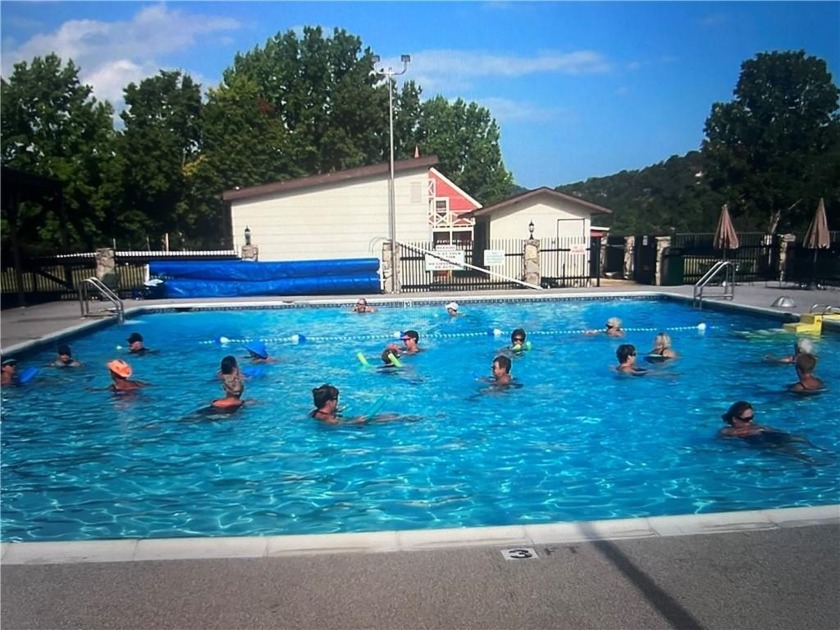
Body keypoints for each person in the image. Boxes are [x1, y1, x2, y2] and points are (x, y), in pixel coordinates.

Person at [718, 401, 816, 461]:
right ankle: (809, 460)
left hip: (765, 434)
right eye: (747, 419)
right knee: (784, 449)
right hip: (757, 440)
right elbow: (731, 434)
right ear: (735, 419)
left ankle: (819, 450)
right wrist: (751, 431)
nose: (751, 421)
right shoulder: (726, 430)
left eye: (752, 417)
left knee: (799, 438)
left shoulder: (752, 425)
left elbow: (764, 428)